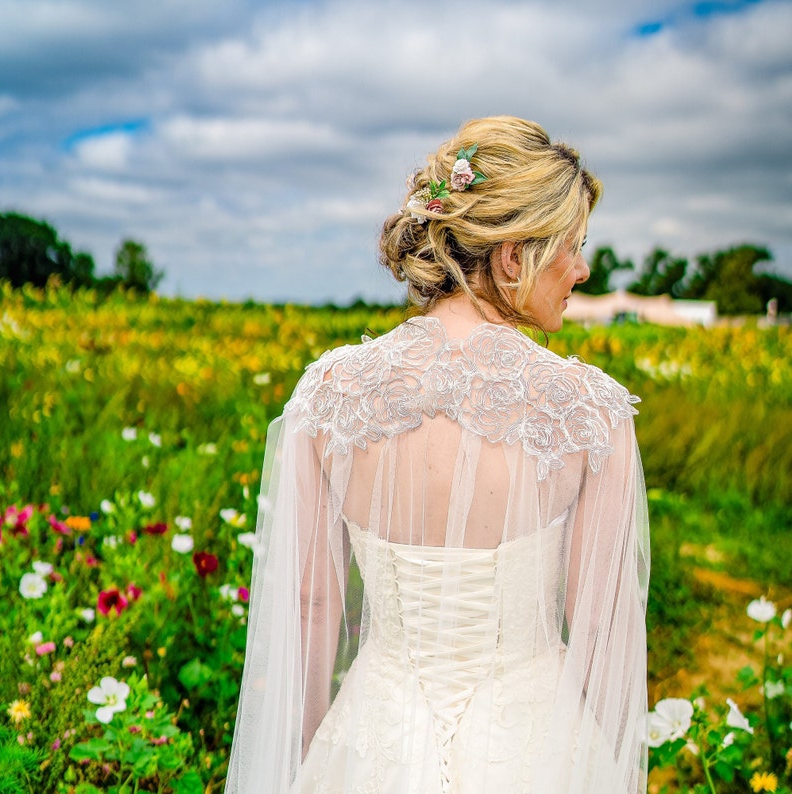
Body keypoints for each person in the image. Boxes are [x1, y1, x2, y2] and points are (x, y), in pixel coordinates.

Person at [225, 115, 650, 793]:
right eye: (572, 246)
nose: (583, 268)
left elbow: (309, 607)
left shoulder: (331, 395)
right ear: (513, 257)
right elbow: (601, 633)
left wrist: (302, 766)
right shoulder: (587, 412)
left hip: (373, 748)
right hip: (534, 754)